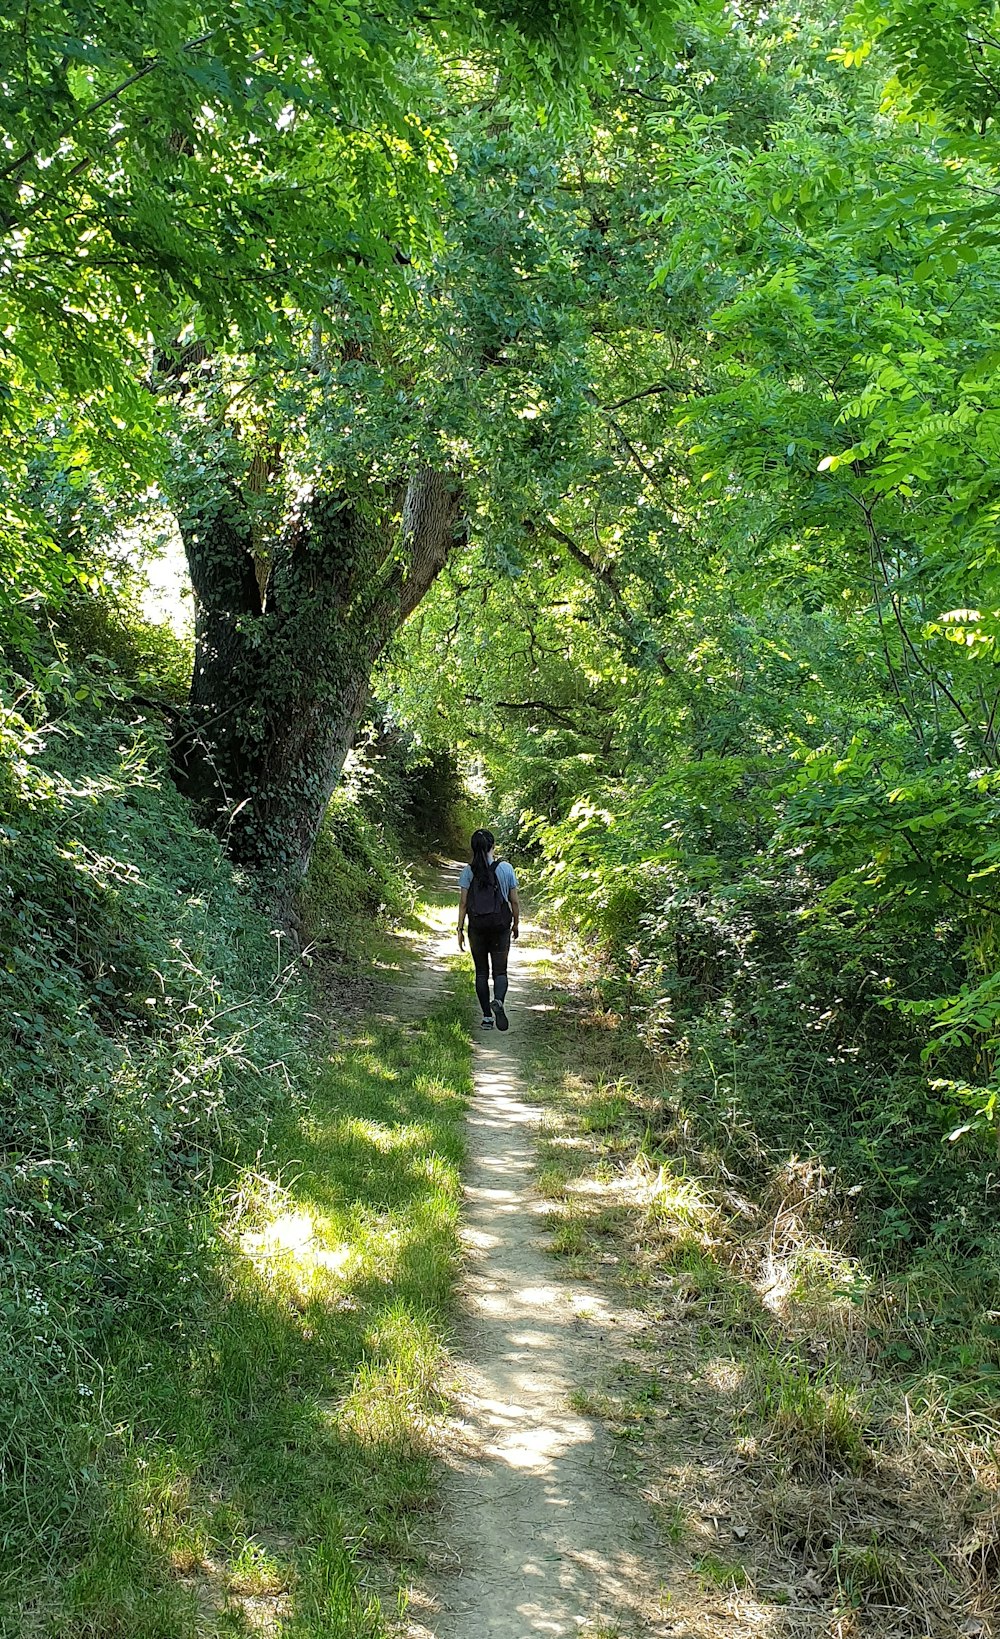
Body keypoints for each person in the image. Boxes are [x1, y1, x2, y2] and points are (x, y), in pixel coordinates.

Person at [457, 829, 520, 1030]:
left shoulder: (468, 871)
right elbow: (514, 901)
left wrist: (459, 929)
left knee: (481, 973)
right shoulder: (506, 868)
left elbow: (463, 904)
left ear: (473, 848)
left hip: (477, 927)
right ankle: (499, 1001)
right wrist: (516, 923)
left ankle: (486, 1018)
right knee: (500, 971)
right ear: (493, 846)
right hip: (500, 926)